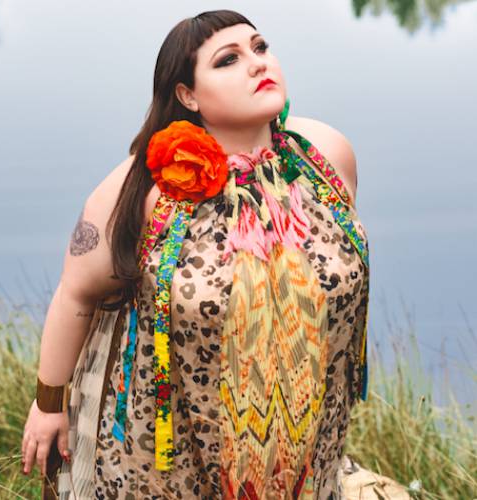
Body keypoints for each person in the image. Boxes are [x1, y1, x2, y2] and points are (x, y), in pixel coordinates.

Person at [20, 9, 398, 500]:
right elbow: (76, 292)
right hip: (174, 448)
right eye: (228, 60)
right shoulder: (146, 187)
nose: (257, 63)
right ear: (187, 96)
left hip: (307, 431)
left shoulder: (325, 155)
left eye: (260, 47)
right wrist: (48, 405)